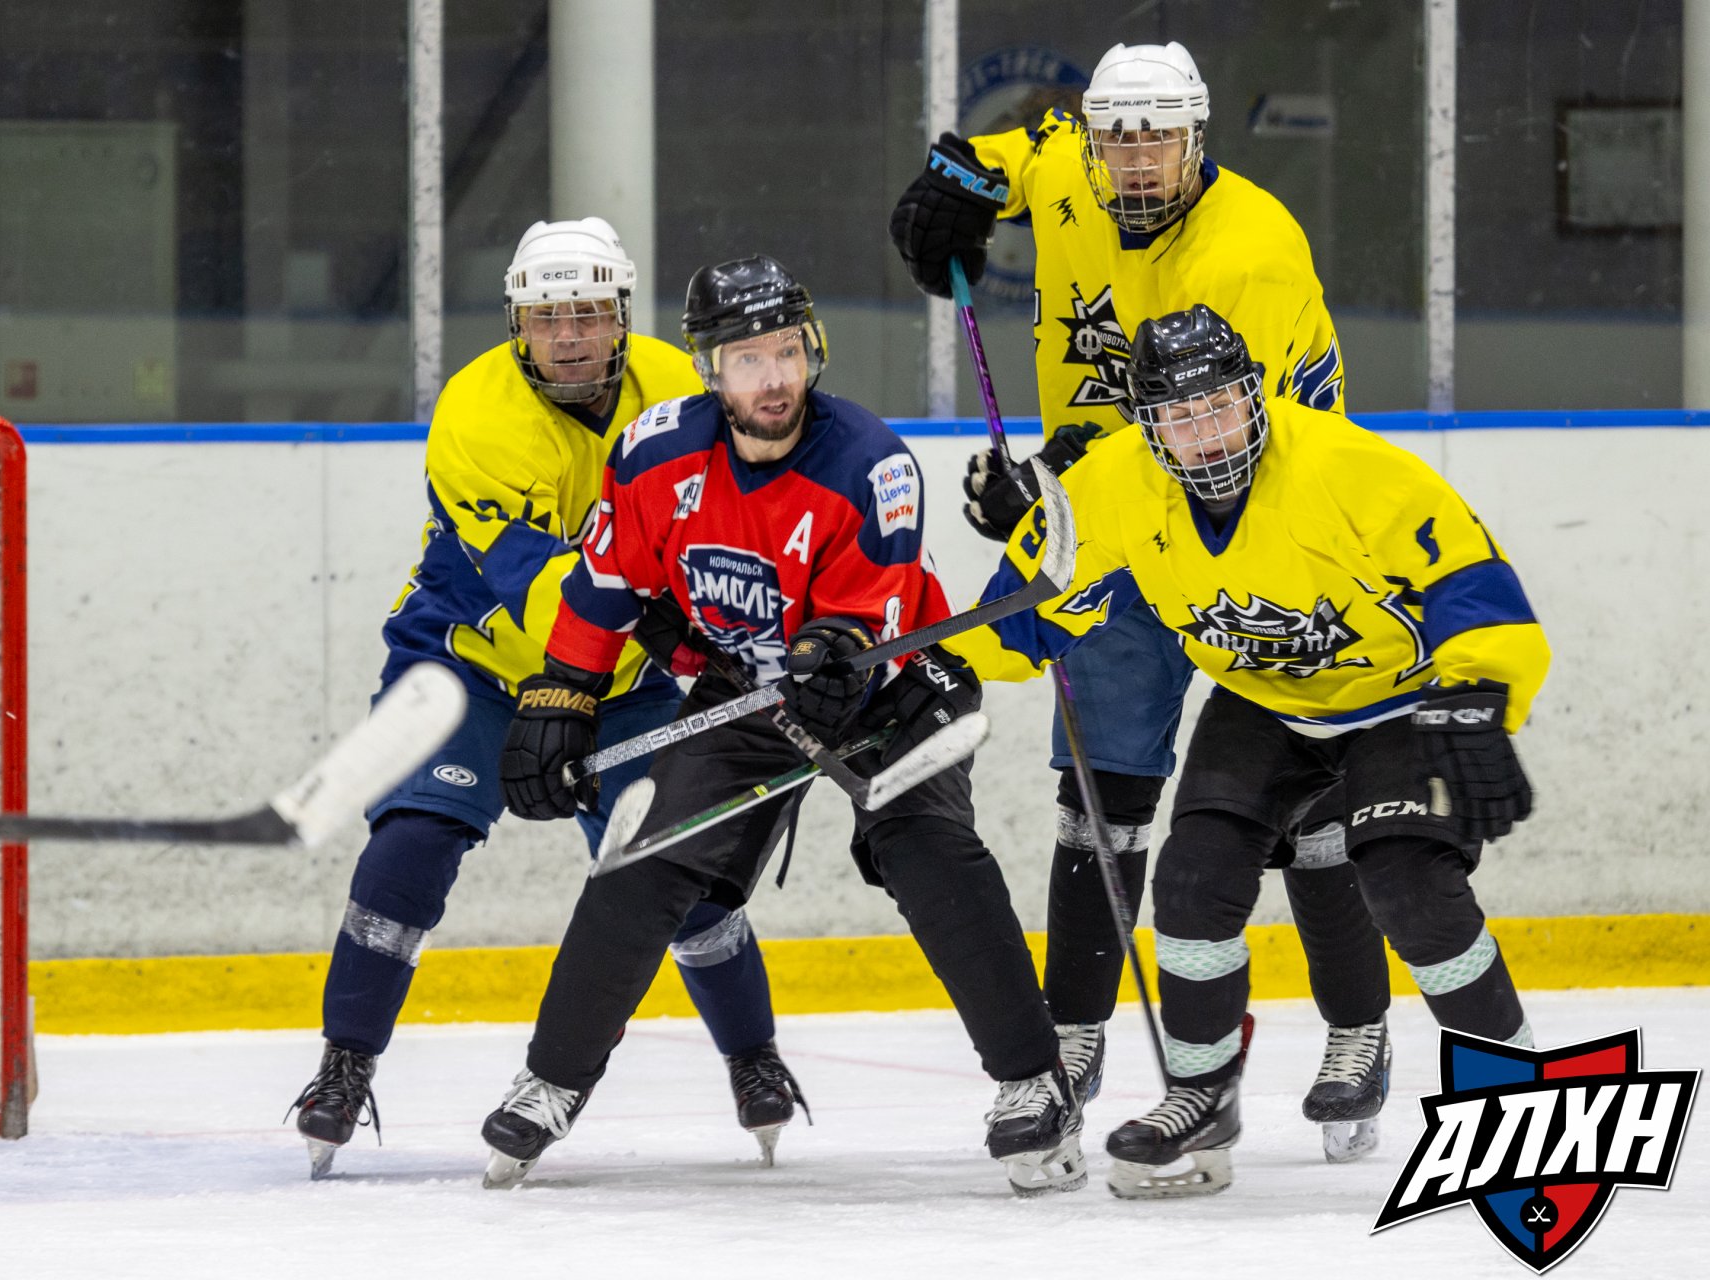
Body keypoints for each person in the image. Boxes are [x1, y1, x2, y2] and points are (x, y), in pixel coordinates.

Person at [483, 255, 1081, 1196]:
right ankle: (550, 1081)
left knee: (924, 848)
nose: (774, 378)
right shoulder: (653, 455)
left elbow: (867, 613)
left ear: (813, 351)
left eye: (788, 352)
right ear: (708, 370)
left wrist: (833, 653)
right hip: (746, 693)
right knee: (642, 858)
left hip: (892, 691)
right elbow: (608, 583)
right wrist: (564, 692)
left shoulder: (871, 463)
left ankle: (1033, 1081)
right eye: (748, 358)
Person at [889, 39, 1391, 1156]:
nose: (1140, 159)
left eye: (1161, 137)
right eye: (1119, 139)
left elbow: (1219, 441)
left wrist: (1047, 488)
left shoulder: (1253, 253)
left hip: (1264, 526)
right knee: (1098, 794)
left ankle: (1358, 1026)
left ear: (1198, 136)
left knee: (1302, 804)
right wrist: (951, 187)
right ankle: (1070, 1040)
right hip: (1116, 514)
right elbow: (996, 158)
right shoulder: (1075, 162)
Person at [954, 304, 1547, 1197]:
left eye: (1220, 406)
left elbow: (1469, 576)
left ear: (1254, 395)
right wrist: (938, 660)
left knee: (1409, 885)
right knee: (1192, 882)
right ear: (1146, 426)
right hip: (1265, 699)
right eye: (1180, 417)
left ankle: (1520, 1096)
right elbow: (1026, 607)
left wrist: (1481, 692)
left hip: (1396, 698)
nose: (1207, 433)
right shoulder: (1114, 484)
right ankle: (1203, 1094)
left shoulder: (1344, 468)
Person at [287, 219, 796, 1177]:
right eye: (547, 317)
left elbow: (758, 512)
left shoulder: (684, 387)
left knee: (676, 868)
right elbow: (547, 589)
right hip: (472, 668)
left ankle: (753, 1057)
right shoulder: (475, 412)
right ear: (517, 322)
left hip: (629, 682)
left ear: (622, 316)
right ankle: (344, 1064)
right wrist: (683, 636)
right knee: (411, 847)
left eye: (589, 314)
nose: (568, 336)